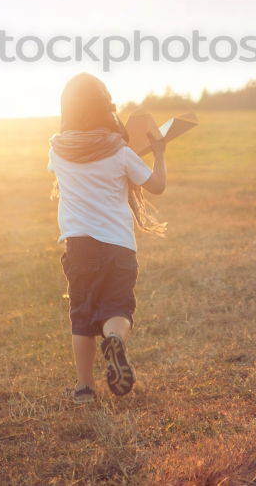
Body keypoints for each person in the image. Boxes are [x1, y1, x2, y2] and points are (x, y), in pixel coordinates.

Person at [47, 73, 168, 404]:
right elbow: (156, 185)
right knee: (117, 306)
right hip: (118, 245)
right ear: (106, 107)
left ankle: (84, 388)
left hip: (79, 245)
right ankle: (114, 337)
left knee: (82, 316)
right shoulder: (120, 151)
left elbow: (63, 176)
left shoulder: (58, 149)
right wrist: (158, 152)